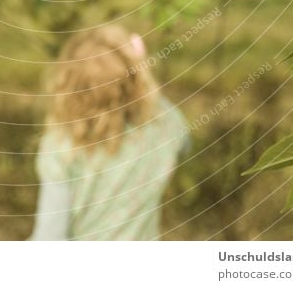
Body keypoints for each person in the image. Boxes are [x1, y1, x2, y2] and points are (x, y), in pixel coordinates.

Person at [30, 24, 189, 240]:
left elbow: (50, 236)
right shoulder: (165, 124)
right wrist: (141, 72)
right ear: (136, 78)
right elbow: (184, 145)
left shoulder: (62, 147)